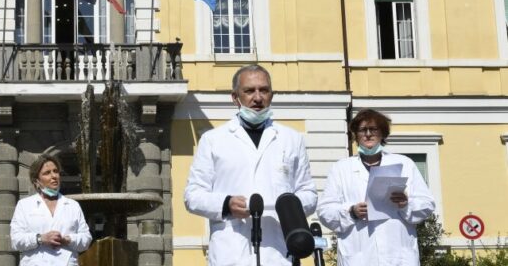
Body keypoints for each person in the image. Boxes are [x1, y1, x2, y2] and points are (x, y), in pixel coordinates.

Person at [184, 64, 317, 265]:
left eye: (264, 90)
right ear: (235, 97)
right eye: (249, 91)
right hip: (231, 251)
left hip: (278, 251)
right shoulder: (213, 140)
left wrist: (287, 207)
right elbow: (192, 196)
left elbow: (309, 194)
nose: (257, 97)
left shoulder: (291, 139)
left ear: (272, 95)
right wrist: (226, 204)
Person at [317, 109, 436, 266]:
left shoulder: (405, 164)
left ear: (382, 134)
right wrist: (351, 212)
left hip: (398, 256)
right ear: (356, 135)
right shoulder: (341, 168)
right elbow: (325, 211)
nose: (368, 134)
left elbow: (427, 204)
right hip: (359, 256)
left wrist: (406, 204)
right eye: (362, 130)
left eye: (373, 129)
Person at [10, 153, 92, 266]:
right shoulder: (24, 205)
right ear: (36, 181)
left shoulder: (72, 205)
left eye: (55, 171)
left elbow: (86, 239)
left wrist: (68, 240)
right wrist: (40, 238)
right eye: (47, 173)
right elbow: (16, 240)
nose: (54, 176)